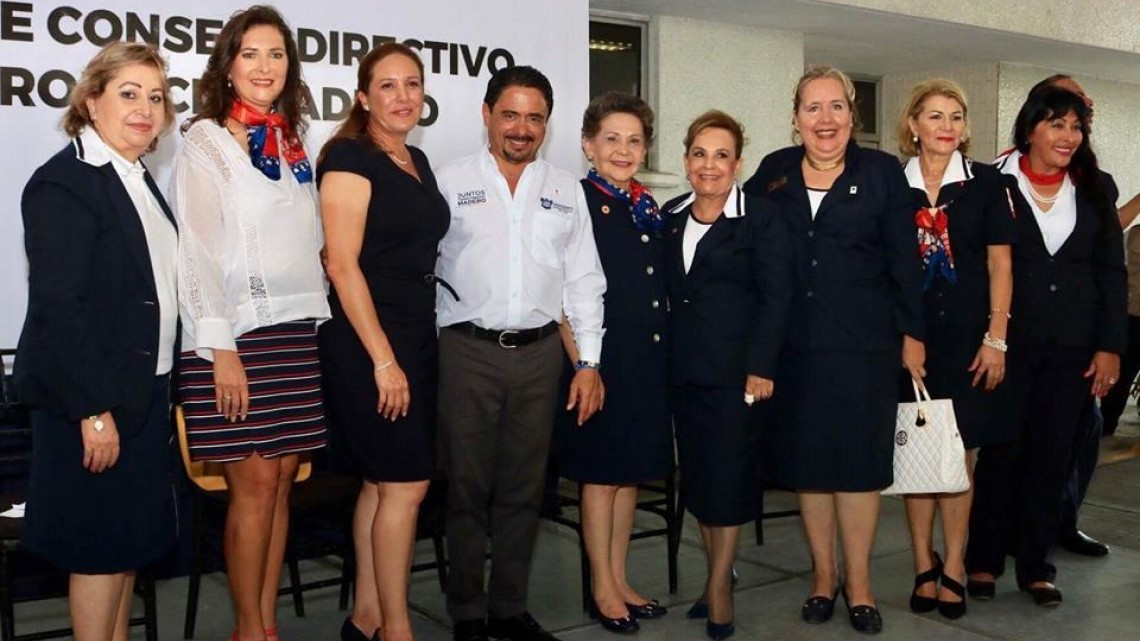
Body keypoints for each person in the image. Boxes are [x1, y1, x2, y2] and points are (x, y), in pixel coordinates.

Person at [742, 65, 925, 635]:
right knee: (811, 468)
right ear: (796, 118)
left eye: (836, 106)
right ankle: (823, 577)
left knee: (858, 470)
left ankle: (860, 584)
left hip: (864, 348)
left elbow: (905, 261)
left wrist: (914, 336)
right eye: (812, 108)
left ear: (852, 114)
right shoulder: (773, 172)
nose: (825, 119)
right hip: (795, 348)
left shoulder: (883, 173)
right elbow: (745, 246)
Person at [171, 6, 330, 640]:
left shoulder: (292, 143)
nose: (265, 66)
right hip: (234, 337)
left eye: (277, 54)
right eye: (251, 53)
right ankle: (248, 629)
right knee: (255, 484)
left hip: (294, 333)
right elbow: (197, 253)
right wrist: (221, 349)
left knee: (283, 482)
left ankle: (265, 626)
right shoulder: (205, 140)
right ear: (228, 66)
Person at [434, 65, 606, 641]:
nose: (521, 128)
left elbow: (583, 281)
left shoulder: (566, 190)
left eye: (534, 118)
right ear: (487, 115)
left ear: (547, 125)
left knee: (524, 490)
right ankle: (466, 612)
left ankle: (508, 608)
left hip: (539, 357)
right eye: (510, 114)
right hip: (467, 352)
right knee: (465, 488)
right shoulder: (448, 181)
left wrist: (588, 363)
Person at [14, 41, 177, 641]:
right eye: (128, 94)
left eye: (155, 97)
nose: (145, 109)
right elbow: (60, 310)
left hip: (142, 395)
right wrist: (93, 410)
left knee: (124, 550)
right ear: (90, 101)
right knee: (96, 553)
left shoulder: (135, 177)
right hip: (91, 402)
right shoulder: (64, 183)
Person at [966, 86, 1125, 607]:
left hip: (1075, 348)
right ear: (1030, 129)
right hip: (1008, 345)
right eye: (1057, 124)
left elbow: (1111, 272)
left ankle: (1036, 566)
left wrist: (1110, 346)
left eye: (1076, 127)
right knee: (1002, 454)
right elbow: (982, 266)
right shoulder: (994, 182)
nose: (1068, 136)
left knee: (1052, 457)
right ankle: (983, 561)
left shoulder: (1096, 187)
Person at [317, 43, 448, 641]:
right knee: (405, 483)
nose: (402, 96)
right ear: (364, 97)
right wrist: (383, 361)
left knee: (381, 482)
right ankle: (398, 627)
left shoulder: (414, 158)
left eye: (412, 84)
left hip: (415, 335)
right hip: (368, 342)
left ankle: (365, 617)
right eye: (388, 85)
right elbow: (341, 265)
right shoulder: (349, 156)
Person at [663, 110, 790, 641]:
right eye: (699, 154)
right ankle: (716, 576)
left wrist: (762, 366)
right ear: (686, 160)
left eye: (721, 155)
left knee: (730, 481)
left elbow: (777, 298)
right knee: (699, 481)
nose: (709, 165)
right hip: (683, 374)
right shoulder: (670, 215)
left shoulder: (760, 218)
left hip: (739, 378)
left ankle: (719, 588)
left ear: (738, 164)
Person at [893, 79, 1014, 620]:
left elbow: (1000, 264)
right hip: (910, 339)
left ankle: (956, 565)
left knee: (959, 455)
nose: (947, 126)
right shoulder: (891, 186)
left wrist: (996, 338)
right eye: (935, 116)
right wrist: (905, 336)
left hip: (970, 341)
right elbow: (886, 270)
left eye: (956, 116)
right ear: (913, 125)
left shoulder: (987, 184)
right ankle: (924, 563)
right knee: (918, 453)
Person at [554, 92, 671, 635]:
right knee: (600, 478)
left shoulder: (645, 207)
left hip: (643, 361)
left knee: (627, 478)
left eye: (634, 141)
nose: (623, 150)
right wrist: (584, 365)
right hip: (598, 364)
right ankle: (601, 586)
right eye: (611, 139)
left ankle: (620, 579)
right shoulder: (574, 202)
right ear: (588, 145)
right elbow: (559, 296)